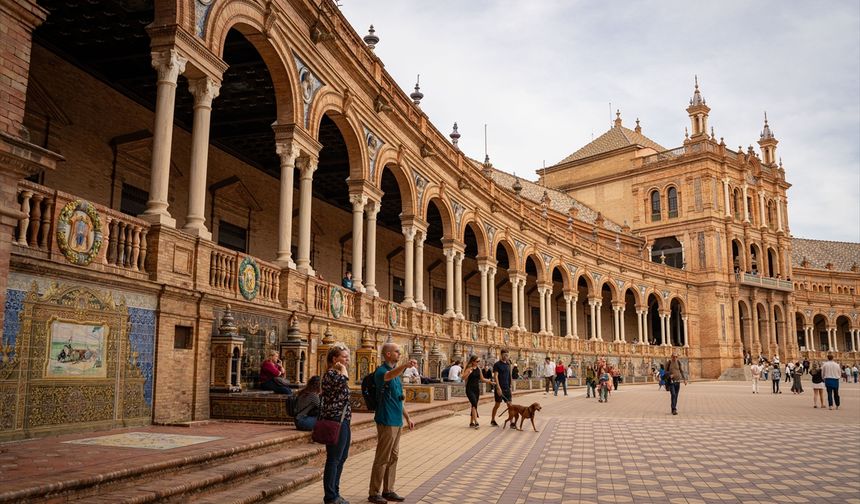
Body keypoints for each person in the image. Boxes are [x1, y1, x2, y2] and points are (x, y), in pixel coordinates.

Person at [368, 343, 415, 504]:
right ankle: (374, 492)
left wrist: (408, 417)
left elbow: (399, 399)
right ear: (388, 354)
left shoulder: (396, 376)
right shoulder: (382, 372)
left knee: (393, 456)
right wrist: (404, 366)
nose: (399, 354)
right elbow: (388, 376)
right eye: (396, 352)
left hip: (397, 419)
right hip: (386, 419)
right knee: (383, 457)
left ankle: (388, 489)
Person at [320, 345, 351, 504]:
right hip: (335, 420)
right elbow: (344, 380)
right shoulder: (331, 374)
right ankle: (330, 496)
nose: (347, 359)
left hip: (343, 419)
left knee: (342, 456)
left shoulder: (336, 374)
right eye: (344, 357)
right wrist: (343, 371)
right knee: (333, 458)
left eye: (347, 356)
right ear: (334, 359)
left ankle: (335, 492)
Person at [463, 355, 492, 428]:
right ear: (473, 361)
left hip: (476, 389)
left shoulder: (479, 369)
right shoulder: (469, 368)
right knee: (474, 403)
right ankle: (476, 422)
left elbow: (482, 379)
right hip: (469, 389)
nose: (478, 363)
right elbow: (463, 378)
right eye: (477, 361)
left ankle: (471, 422)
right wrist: (469, 373)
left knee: (474, 405)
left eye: (479, 361)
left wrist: (490, 382)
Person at [490, 349, 513, 427]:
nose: (506, 356)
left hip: (507, 387)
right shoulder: (497, 364)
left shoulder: (508, 364)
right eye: (505, 355)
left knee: (510, 405)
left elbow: (509, 375)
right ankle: (492, 420)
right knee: (497, 404)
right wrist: (498, 387)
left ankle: (511, 422)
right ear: (501, 355)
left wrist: (510, 386)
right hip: (500, 387)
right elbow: (495, 376)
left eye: (507, 355)